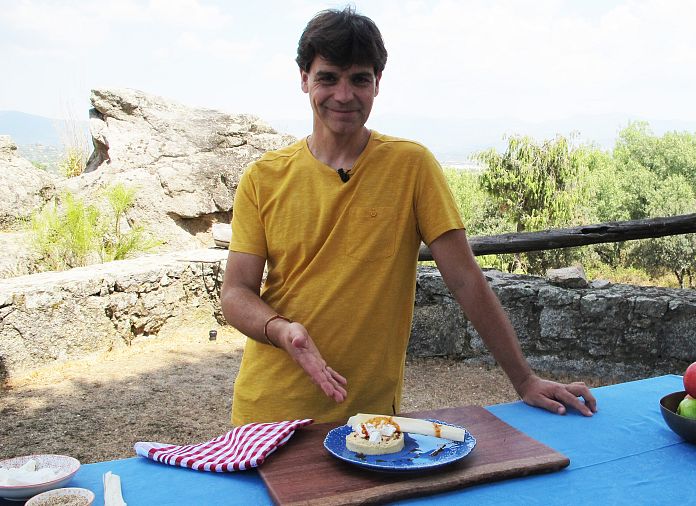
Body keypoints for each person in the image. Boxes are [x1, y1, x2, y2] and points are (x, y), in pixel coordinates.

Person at [221, 6, 597, 426]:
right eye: (328, 77)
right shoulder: (264, 177)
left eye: (359, 79)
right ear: (304, 78)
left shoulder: (411, 166)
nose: (343, 95)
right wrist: (281, 330)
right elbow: (236, 292)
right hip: (268, 414)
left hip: (368, 417)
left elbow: (465, 279)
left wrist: (525, 380)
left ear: (377, 83)